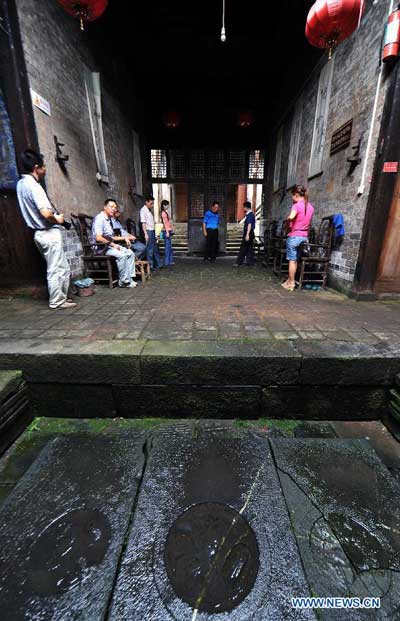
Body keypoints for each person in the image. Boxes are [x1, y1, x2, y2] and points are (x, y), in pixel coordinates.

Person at [16, 149, 76, 309]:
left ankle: (62, 297)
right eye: (44, 167)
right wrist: (57, 218)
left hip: (39, 234)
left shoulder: (21, 184)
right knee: (55, 269)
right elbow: (45, 212)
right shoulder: (34, 186)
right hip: (47, 233)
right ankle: (56, 301)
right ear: (37, 167)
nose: (45, 169)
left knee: (62, 267)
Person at [92, 199, 137, 288]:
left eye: (115, 207)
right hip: (101, 248)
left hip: (109, 246)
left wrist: (124, 238)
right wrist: (113, 245)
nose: (114, 209)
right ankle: (124, 281)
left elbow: (111, 237)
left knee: (130, 253)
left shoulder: (109, 220)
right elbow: (98, 238)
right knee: (122, 255)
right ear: (105, 207)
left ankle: (129, 278)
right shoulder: (100, 219)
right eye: (111, 207)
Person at [282, 184, 314, 291]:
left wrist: (287, 222)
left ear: (296, 195)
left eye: (292, 195)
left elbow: (291, 217)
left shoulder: (296, 206)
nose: (292, 198)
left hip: (294, 236)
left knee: (292, 260)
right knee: (296, 260)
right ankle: (290, 280)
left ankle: (291, 283)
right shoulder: (310, 207)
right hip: (304, 237)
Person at [140, 195, 161, 270]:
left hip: (152, 230)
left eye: (153, 203)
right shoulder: (143, 210)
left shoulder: (149, 210)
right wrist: (145, 233)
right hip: (148, 231)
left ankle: (158, 264)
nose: (152, 205)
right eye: (151, 203)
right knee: (150, 249)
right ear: (146, 202)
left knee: (155, 248)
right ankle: (150, 266)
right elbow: (143, 223)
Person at [233, 201, 256, 267]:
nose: (243, 208)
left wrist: (247, 234)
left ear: (246, 207)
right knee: (249, 248)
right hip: (250, 233)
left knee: (243, 247)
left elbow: (249, 225)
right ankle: (250, 262)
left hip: (249, 232)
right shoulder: (250, 214)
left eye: (244, 207)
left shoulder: (250, 215)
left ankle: (239, 262)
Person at [160, 199, 174, 267]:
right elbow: (165, 223)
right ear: (163, 205)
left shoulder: (166, 212)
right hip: (166, 230)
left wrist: (171, 229)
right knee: (167, 247)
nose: (168, 206)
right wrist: (167, 232)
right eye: (167, 205)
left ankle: (170, 261)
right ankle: (166, 262)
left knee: (169, 247)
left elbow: (168, 222)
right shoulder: (163, 213)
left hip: (168, 229)